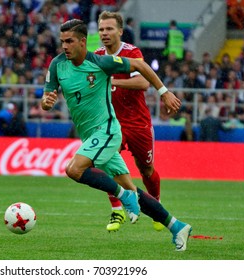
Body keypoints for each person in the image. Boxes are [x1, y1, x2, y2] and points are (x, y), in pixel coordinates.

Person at [42, 19, 192, 251]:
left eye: (69, 41)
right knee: (133, 189)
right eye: (62, 41)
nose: (64, 46)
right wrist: (47, 101)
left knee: (74, 169)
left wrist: (164, 92)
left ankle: (124, 197)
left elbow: (141, 66)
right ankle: (176, 226)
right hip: (90, 136)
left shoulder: (101, 63)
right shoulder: (57, 65)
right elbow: (46, 99)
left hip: (109, 131)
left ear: (83, 42)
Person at [95, 11, 180, 232]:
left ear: (120, 31)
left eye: (109, 29)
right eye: (101, 29)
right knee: (104, 162)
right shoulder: (96, 56)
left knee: (147, 170)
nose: (104, 33)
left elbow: (143, 83)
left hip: (138, 123)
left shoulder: (132, 53)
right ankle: (117, 210)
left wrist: (110, 80)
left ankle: (156, 205)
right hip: (112, 123)